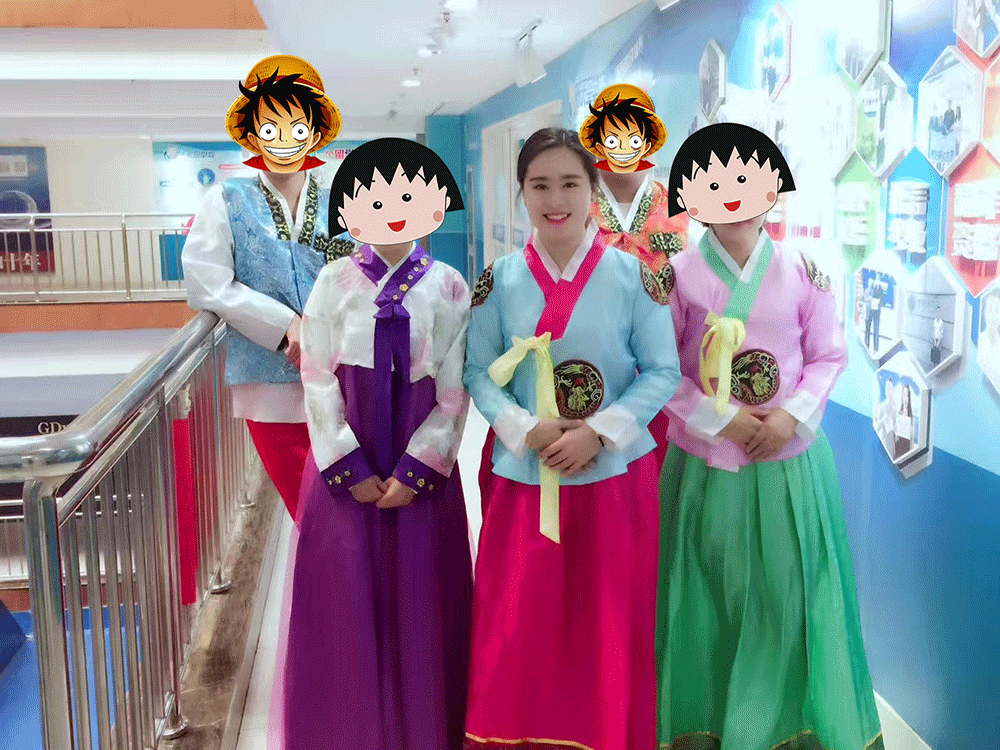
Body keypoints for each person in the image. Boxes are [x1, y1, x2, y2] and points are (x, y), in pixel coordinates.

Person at [657, 122, 883, 750]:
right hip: (707, 463)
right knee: (708, 597)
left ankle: (781, 727)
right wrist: (722, 419)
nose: (732, 194)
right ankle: (707, 726)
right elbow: (660, 370)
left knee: (789, 598)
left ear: (773, 188)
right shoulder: (675, 276)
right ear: (689, 195)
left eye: (746, 178)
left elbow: (828, 355)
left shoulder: (806, 269)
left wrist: (790, 417)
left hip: (789, 459)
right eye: (714, 182)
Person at [463, 127, 681, 750]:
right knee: (519, 618)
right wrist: (524, 427)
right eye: (540, 185)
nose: (555, 199)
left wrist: (601, 433)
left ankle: (606, 732)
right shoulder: (498, 281)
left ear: (593, 190)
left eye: (570, 183)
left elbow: (663, 370)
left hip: (612, 476)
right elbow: (476, 371)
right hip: (526, 474)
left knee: (607, 618)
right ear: (521, 193)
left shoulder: (634, 277)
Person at [282, 138, 473, 750]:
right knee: (344, 600)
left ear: (436, 207)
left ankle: (426, 730)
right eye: (377, 201)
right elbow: (316, 375)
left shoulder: (449, 286)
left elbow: (455, 388)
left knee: (424, 600)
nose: (393, 213)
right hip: (350, 458)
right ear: (347, 211)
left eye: (410, 199)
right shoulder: (332, 282)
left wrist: (421, 467)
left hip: (422, 466)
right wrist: (347, 464)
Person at [182, 55, 352, 521]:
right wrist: (284, 324)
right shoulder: (226, 199)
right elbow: (205, 281)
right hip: (269, 387)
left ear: (315, 132)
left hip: (347, 376)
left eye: (297, 128)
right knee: (310, 512)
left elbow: (366, 276)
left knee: (353, 509)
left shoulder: (343, 199)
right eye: (270, 127)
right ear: (252, 134)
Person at [579, 83, 688, 468]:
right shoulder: (576, 203)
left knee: (660, 471)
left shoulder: (677, 202)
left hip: (665, 360)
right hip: (593, 360)